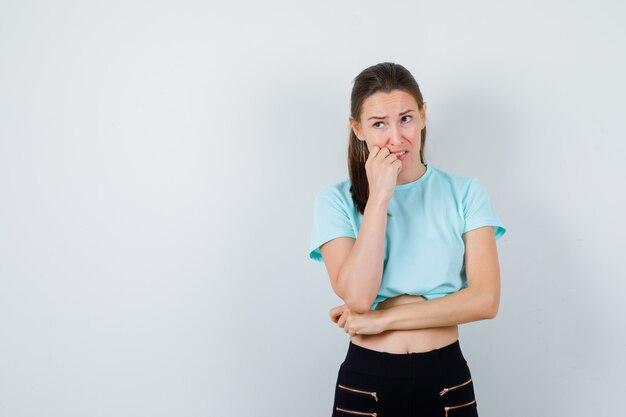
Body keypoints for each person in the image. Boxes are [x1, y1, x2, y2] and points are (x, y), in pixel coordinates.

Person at [308, 62, 506, 416]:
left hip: (446, 379)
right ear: (357, 128)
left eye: (406, 118)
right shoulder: (335, 200)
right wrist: (379, 197)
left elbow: (485, 300)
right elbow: (358, 297)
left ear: (423, 115)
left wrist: (383, 320)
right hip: (366, 381)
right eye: (379, 124)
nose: (396, 138)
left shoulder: (465, 192)